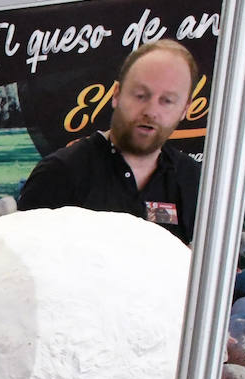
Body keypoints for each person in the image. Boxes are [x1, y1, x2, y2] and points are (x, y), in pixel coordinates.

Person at [16, 39, 201, 245]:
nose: (151, 111)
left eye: (167, 101)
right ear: (116, 94)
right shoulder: (60, 173)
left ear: (185, 108)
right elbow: (23, 265)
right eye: (140, 95)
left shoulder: (192, 179)